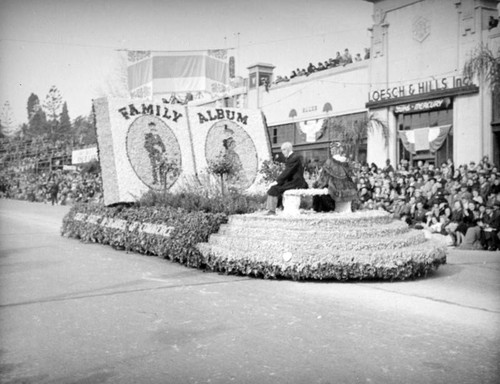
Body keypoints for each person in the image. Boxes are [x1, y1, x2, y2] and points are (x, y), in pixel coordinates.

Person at [312, 142, 357, 212]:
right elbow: (352, 175)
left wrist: (318, 183)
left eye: (331, 150)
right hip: (347, 186)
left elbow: (324, 176)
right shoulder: (347, 160)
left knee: (317, 187)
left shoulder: (330, 161)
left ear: (333, 151)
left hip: (334, 185)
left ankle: (323, 209)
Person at [265, 142, 308, 215]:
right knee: (274, 188)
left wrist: (277, 181)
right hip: (293, 181)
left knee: (274, 188)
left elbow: (287, 172)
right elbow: (287, 172)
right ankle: (273, 209)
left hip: (296, 182)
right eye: (282, 150)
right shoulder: (292, 157)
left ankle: (271, 210)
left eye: (284, 150)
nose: (282, 152)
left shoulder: (294, 158)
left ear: (288, 149)